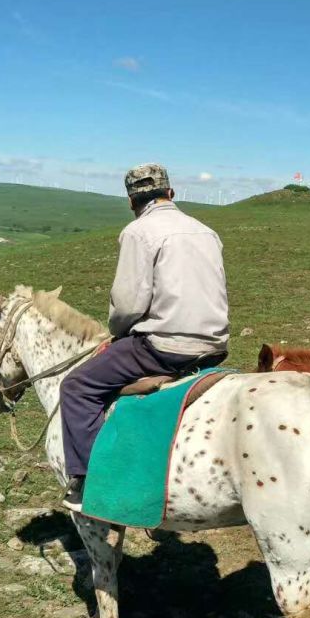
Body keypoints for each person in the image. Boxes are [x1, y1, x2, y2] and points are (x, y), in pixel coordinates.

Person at [59, 163, 229, 511]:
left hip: (164, 348)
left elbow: (128, 303)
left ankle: (93, 482)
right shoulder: (206, 231)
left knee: (76, 387)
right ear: (171, 194)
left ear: (131, 201)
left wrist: (117, 335)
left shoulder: (139, 232)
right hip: (214, 346)